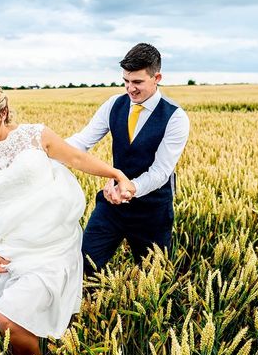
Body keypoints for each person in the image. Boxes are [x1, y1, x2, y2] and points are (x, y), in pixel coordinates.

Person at [0, 81, 133, 355]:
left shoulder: (35, 135)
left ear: (2, 112)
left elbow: (78, 159)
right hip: (10, 244)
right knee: (8, 317)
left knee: (7, 317)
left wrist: (116, 173)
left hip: (53, 241)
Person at [67, 43, 190, 273]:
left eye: (137, 82)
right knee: (82, 265)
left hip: (152, 212)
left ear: (157, 77)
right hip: (111, 206)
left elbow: (160, 172)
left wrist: (128, 188)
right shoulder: (114, 105)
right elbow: (83, 141)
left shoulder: (175, 117)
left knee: (152, 279)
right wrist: (49, 152)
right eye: (125, 81)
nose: (129, 89)